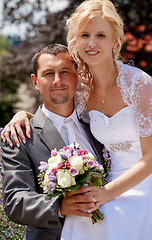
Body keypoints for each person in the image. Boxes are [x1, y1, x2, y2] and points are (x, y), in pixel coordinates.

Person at [2, 0, 152, 239]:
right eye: (85, 34)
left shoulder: (139, 84)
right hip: (102, 192)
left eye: (100, 35)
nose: (92, 42)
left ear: (115, 40)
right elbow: (54, 107)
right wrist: (23, 114)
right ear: (76, 41)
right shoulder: (82, 90)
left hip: (144, 183)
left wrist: (106, 193)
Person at [1, 43, 105, 240]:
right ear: (35, 81)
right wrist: (59, 206)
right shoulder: (18, 135)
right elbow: (15, 201)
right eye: (48, 73)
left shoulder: (97, 125)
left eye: (65, 71)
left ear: (76, 76)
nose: (58, 80)